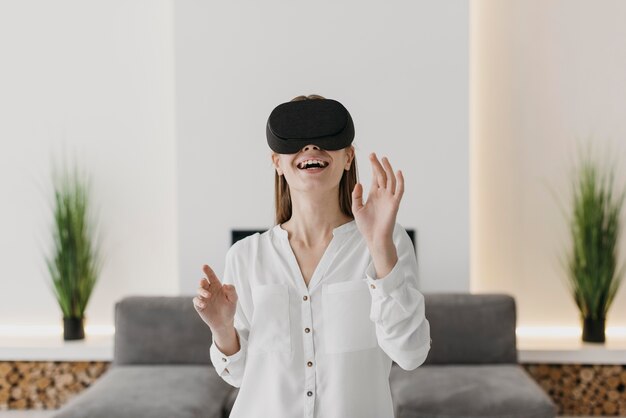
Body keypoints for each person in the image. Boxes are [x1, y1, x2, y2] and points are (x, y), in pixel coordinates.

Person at [193, 94, 431, 418]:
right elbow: (238, 375)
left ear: (348, 157)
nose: (310, 148)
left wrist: (380, 249)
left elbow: (411, 353)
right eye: (298, 141)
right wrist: (222, 328)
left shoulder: (387, 242)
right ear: (277, 162)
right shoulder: (246, 256)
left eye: (324, 139)